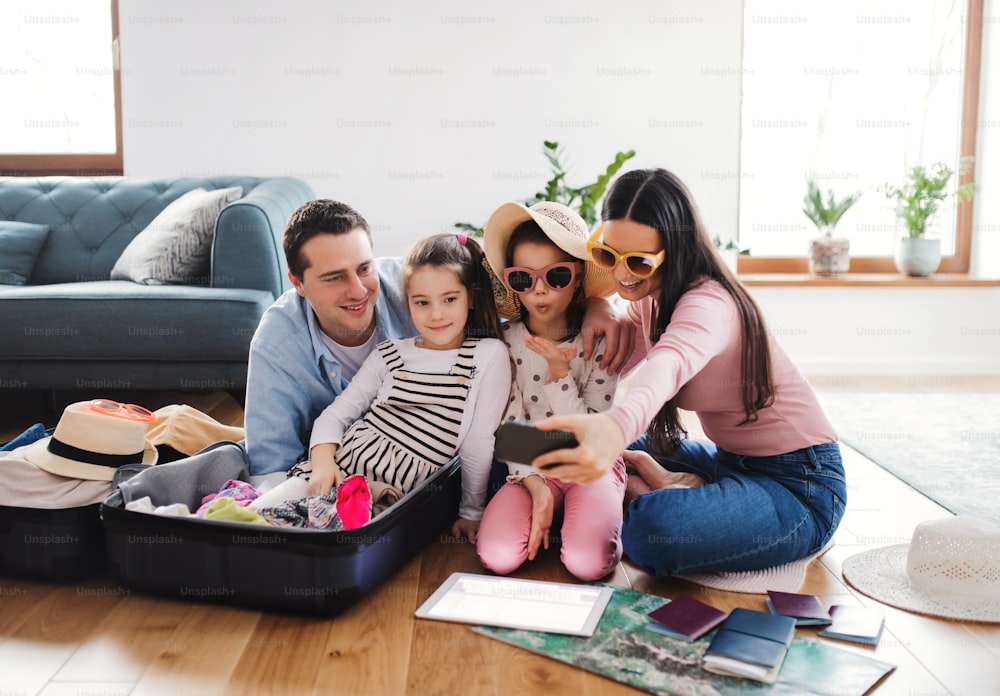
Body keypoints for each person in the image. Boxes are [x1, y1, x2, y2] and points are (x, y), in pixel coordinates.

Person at [533, 168, 846, 578]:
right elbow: (600, 372)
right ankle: (657, 488)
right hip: (730, 461)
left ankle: (642, 491)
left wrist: (614, 429)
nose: (622, 275)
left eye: (639, 262)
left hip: (800, 485)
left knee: (653, 530)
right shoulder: (650, 300)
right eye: (608, 255)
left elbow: (666, 367)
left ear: (675, 251)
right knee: (535, 446)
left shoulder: (708, 305)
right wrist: (594, 310)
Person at [244, 200, 635, 479]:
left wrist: (598, 303)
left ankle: (622, 464)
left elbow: (531, 296)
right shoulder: (276, 345)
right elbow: (270, 464)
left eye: (363, 268)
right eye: (334, 278)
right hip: (352, 460)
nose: (359, 289)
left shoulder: (418, 283)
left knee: (522, 448)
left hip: (465, 449)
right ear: (297, 283)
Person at [307, 233, 511, 541]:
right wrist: (322, 464)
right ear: (408, 302)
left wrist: (472, 512)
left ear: (471, 296)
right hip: (340, 465)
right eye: (422, 303)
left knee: (330, 541)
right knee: (265, 517)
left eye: (450, 299)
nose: (436, 314)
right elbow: (335, 415)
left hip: (396, 491)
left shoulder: (488, 354)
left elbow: (478, 441)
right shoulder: (389, 353)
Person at [475, 202, 627, 581]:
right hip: (530, 467)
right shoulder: (505, 342)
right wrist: (537, 486)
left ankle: (619, 484)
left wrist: (560, 375)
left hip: (592, 464)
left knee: (588, 562)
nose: (539, 290)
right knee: (496, 555)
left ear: (577, 278)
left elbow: (593, 437)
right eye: (523, 279)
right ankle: (562, 510)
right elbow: (508, 429)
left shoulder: (599, 342)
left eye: (556, 276)